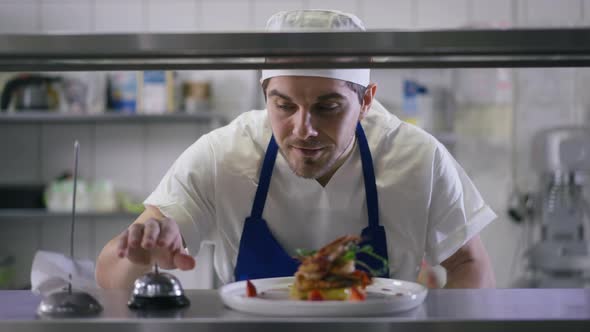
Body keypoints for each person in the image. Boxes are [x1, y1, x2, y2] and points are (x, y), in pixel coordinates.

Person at [96, 9, 496, 289]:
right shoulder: (223, 154)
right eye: (284, 105)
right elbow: (111, 270)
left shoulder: (417, 157)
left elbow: (468, 264)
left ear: (367, 100)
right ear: (264, 94)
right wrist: (143, 251)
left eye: (328, 107)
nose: (303, 129)